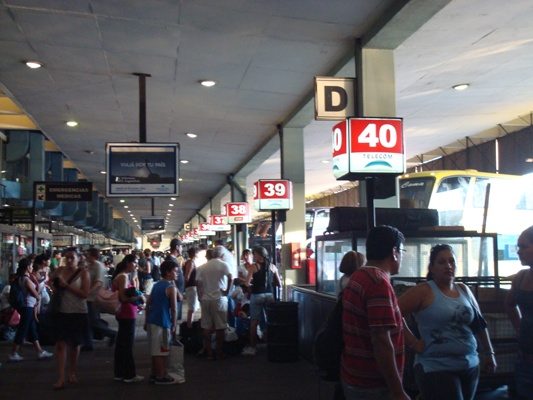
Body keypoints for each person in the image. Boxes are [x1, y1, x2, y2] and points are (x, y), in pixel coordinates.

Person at [399, 244, 497, 400]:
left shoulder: (464, 290)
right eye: (442, 262)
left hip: (469, 363)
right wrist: (413, 343)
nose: (448, 266)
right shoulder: (423, 291)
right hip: (436, 366)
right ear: (431, 267)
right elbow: (393, 313)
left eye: (452, 261)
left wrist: (489, 352)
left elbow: (479, 323)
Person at [341, 225, 409, 400]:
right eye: (402, 251)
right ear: (394, 252)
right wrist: (397, 390)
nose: (402, 256)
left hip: (355, 374)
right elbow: (381, 341)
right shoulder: (378, 283)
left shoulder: (358, 276)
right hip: (373, 383)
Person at [51, 247, 90, 389]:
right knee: (60, 345)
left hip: (78, 312)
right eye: (66, 257)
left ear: (78, 258)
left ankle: (72, 372)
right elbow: (50, 281)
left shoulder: (83, 273)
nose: (68, 260)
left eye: (72, 257)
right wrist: (55, 288)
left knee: (74, 345)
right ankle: (61, 377)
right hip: (61, 312)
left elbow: (85, 294)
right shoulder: (60, 271)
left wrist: (66, 286)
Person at [505, 225, 533, 399]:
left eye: (523, 246)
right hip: (525, 361)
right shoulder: (520, 277)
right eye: (518, 247)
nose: (519, 251)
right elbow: (509, 304)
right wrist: (518, 328)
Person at [9, 258, 53, 362]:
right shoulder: (26, 279)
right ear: (27, 267)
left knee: (32, 329)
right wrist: (39, 295)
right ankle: (14, 353)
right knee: (23, 329)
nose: (32, 268)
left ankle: (40, 351)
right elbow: (35, 294)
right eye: (31, 266)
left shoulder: (21, 278)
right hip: (28, 307)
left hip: (27, 306)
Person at [241, 246, 282, 356]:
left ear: (259, 255)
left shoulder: (254, 267)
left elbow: (246, 283)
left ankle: (253, 347)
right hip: (269, 295)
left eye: (254, 254)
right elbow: (279, 283)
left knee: (254, 322)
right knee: (270, 320)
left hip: (257, 295)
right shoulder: (272, 266)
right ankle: (271, 344)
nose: (253, 256)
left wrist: (251, 286)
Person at [144, 260, 180, 384]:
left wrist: (145, 320)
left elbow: (148, 304)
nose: (177, 274)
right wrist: (174, 324)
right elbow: (174, 309)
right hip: (163, 322)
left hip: (152, 321)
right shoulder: (171, 288)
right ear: (168, 273)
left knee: (155, 350)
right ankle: (161, 376)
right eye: (175, 271)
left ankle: (155, 374)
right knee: (162, 351)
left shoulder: (156, 285)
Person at [112, 254, 145, 383]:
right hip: (127, 313)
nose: (136, 265)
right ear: (128, 263)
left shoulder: (121, 276)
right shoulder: (123, 277)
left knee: (121, 344)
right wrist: (139, 298)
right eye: (135, 263)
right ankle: (129, 375)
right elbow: (123, 298)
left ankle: (119, 373)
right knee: (127, 344)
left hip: (124, 313)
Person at [195, 246, 232, 360]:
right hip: (219, 299)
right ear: (220, 255)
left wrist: (200, 296)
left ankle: (209, 352)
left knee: (206, 326)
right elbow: (231, 278)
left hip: (206, 299)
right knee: (220, 327)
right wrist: (227, 291)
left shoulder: (202, 267)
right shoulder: (223, 265)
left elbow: (198, 283)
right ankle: (219, 352)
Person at [85, 247, 116, 349]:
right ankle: (88, 343)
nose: (86, 256)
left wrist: (88, 292)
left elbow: (99, 282)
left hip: (94, 297)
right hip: (89, 298)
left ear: (93, 255)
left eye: (88, 254)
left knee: (93, 320)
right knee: (89, 321)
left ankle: (111, 333)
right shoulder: (90, 265)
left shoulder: (98, 266)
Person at [183, 247, 199, 328]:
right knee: (192, 308)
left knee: (192, 308)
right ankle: (189, 326)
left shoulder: (189, 262)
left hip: (191, 287)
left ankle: (190, 324)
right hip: (191, 287)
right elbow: (187, 276)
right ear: (194, 253)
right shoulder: (191, 263)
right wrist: (185, 288)